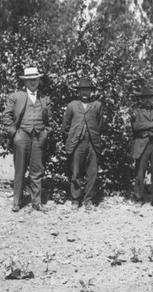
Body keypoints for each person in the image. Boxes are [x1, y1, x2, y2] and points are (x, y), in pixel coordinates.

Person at [1, 67, 54, 213]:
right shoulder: (16, 96)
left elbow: (50, 120)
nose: (32, 82)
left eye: (35, 79)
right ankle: (17, 202)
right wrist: (14, 133)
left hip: (38, 137)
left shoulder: (44, 98)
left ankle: (36, 202)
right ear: (25, 81)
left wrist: (45, 133)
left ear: (39, 80)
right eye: (30, 79)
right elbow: (6, 116)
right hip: (22, 135)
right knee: (20, 170)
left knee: (37, 171)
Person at [61, 78, 104, 211]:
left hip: (92, 143)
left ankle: (88, 200)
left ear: (91, 91)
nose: (85, 92)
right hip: (77, 143)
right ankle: (75, 199)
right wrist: (72, 139)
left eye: (87, 90)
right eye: (82, 90)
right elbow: (65, 127)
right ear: (78, 92)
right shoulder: (72, 105)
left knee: (92, 172)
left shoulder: (96, 105)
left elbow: (100, 125)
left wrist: (93, 137)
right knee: (76, 172)